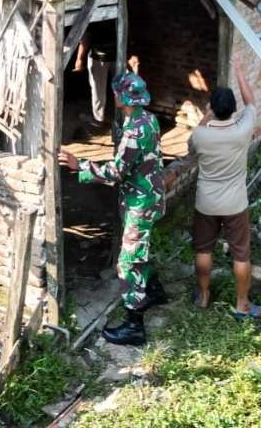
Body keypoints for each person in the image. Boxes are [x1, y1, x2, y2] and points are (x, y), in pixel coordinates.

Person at [58, 73, 168, 346]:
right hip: (149, 196)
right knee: (139, 247)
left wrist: (79, 165)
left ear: (122, 97)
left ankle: (134, 325)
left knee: (128, 262)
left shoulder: (134, 132)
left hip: (140, 204)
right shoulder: (148, 119)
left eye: (117, 92)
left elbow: (117, 171)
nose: (114, 96)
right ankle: (153, 290)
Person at [189, 58, 261, 318]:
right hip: (235, 203)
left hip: (206, 202)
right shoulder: (242, 130)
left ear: (211, 108)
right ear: (233, 110)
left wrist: (206, 114)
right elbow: (251, 102)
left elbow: (192, 141)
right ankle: (242, 304)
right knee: (241, 255)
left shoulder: (201, 135)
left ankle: (204, 295)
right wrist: (239, 72)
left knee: (203, 249)